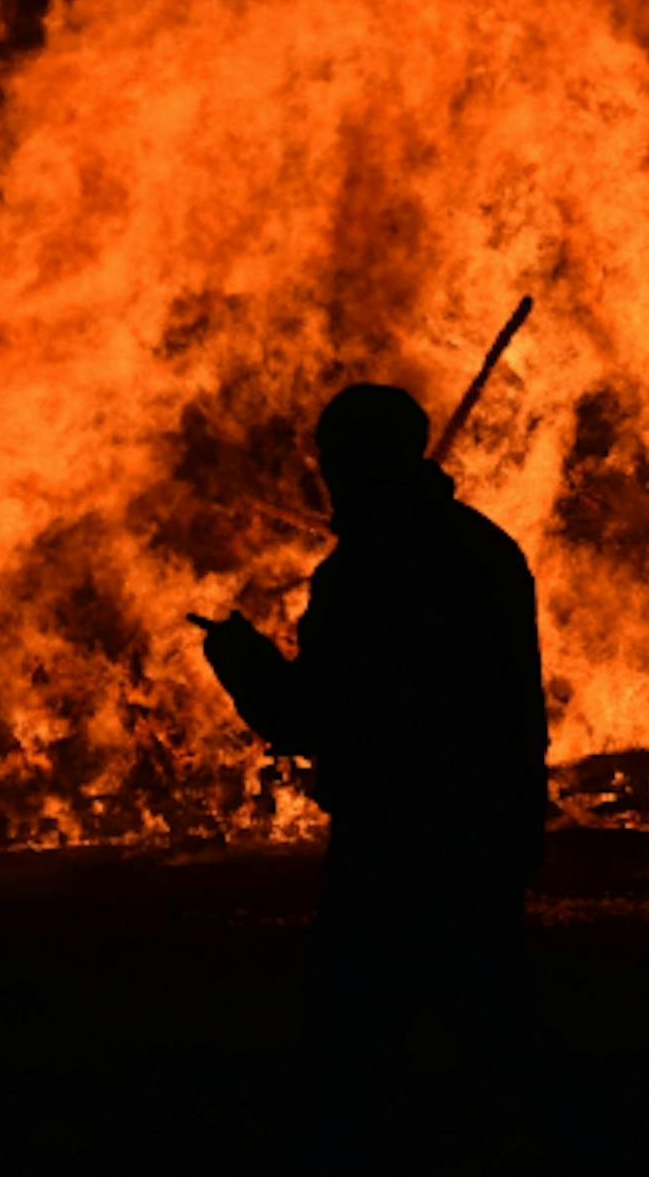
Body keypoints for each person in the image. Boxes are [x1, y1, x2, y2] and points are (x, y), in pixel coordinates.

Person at [195, 382, 547, 1163]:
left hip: (393, 841)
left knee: (354, 1048)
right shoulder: (485, 549)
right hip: (487, 828)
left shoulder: (365, 572)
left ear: (357, 460)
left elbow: (315, 716)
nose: (327, 472)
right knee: (491, 1038)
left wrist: (242, 662)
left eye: (335, 456)